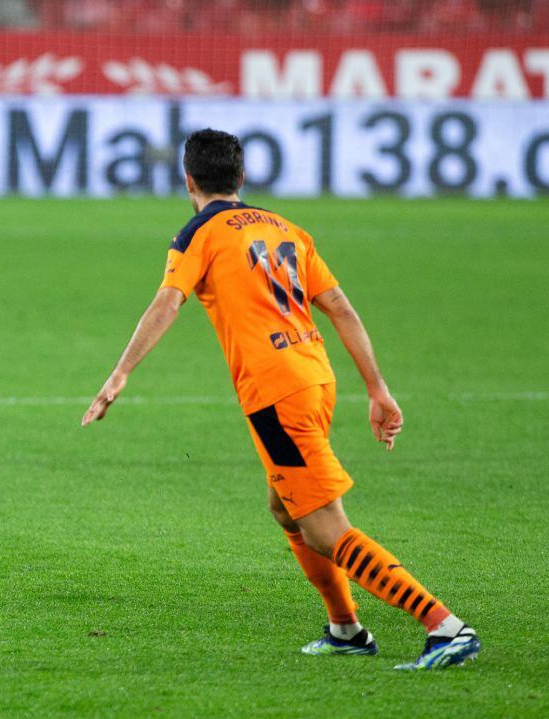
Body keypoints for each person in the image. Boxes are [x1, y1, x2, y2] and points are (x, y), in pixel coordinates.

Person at [81, 129, 480, 671]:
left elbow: (166, 304)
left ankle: (443, 625)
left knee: (323, 526)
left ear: (189, 180)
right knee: (285, 507)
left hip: (275, 391)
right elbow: (338, 306)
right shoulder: (284, 226)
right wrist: (377, 388)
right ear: (241, 178)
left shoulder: (197, 233)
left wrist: (120, 372)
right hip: (315, 378)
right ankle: (345, 629)